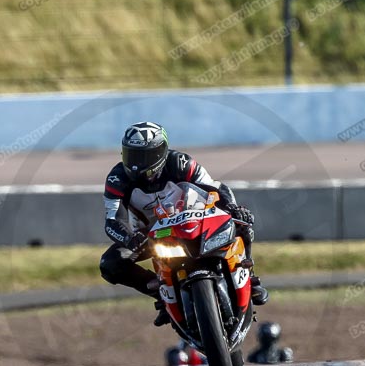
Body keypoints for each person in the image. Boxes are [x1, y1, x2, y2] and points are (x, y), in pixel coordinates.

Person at [99, 121, 268, 326]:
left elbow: (214, 187)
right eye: (131, 155)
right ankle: (160, 294)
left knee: (242, 223)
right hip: (153, 235)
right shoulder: (117, 179)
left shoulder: (180, 163)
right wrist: (130, 238)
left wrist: (232, 207)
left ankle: (250, 277)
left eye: (145, 156)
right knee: (110, 263)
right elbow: (112, 221)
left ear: (161, 152)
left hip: (197, 219)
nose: (136, 164)